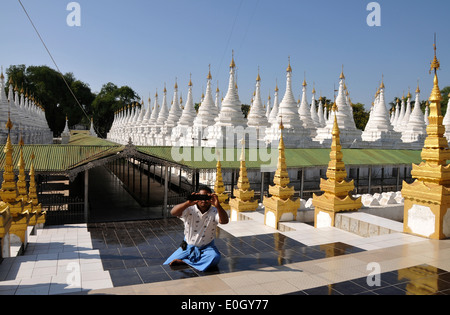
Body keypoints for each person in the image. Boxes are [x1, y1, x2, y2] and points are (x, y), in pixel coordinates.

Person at [163, 186, 229, 272]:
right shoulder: (189, 209)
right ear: (196, 197)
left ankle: (185, 262)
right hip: (188, 247)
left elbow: (224, 221)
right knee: (168, 262)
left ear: (211, 197)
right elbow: (173, 212)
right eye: (201, 197)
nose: (203, 200)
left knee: (215, 258)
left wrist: (218, 205)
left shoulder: (215, 211)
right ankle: (194, 262)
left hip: (207, 247)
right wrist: (188, 203)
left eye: (206, 197)